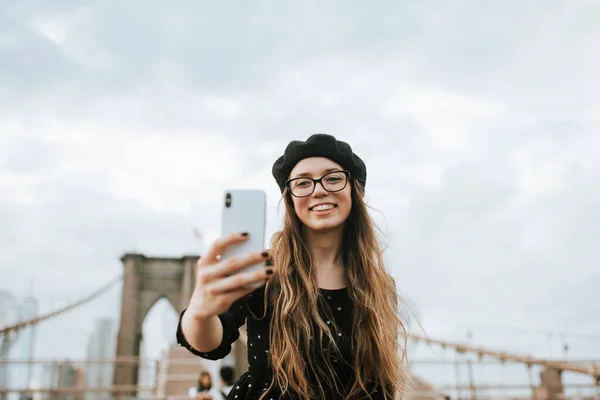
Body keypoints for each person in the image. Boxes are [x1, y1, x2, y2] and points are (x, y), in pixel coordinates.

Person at [177, 134, 409, 399]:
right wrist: (199, 313)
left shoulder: (380, 286)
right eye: (303, 183)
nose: (319, 190)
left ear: (353, 191)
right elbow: (210, 344)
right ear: (290, 199)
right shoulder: (261, 271)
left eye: (333, 178)